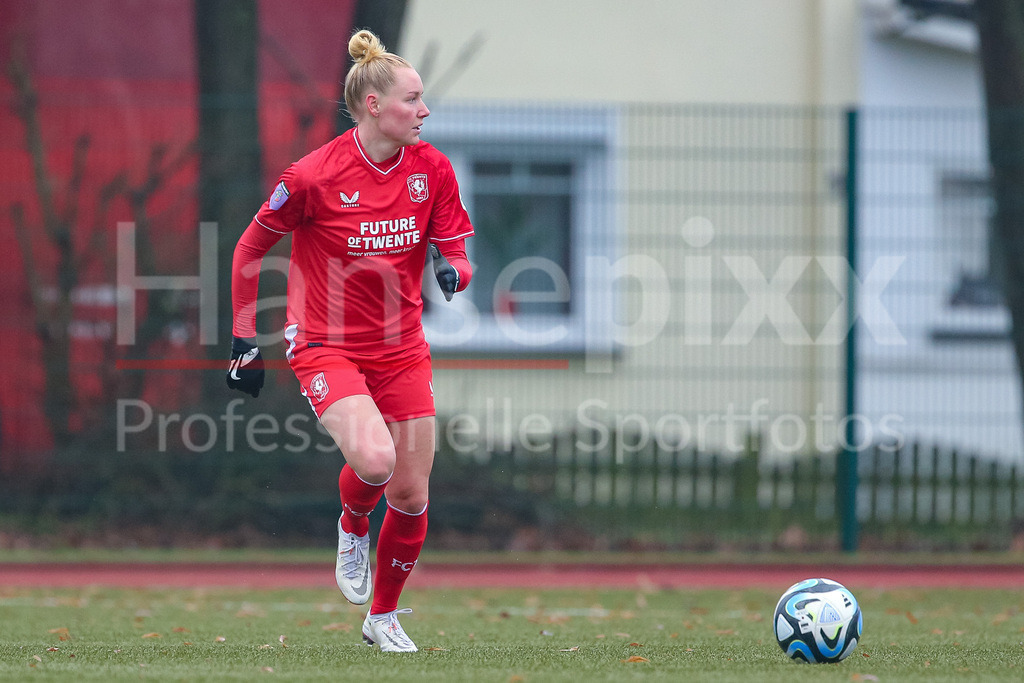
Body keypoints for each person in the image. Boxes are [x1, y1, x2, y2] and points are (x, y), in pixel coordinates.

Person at [225, 28, 473, 653]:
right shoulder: (313, 176)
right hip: (324, 343)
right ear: (372, 106)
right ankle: (353, 522)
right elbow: (251, 247)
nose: (424, 110)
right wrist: (243, 339)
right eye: (412, 99)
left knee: (413, 493)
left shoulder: (432, 169)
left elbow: (455, 247)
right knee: (377, 462)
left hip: (402, 347)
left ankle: (382, 618)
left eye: (422, 100)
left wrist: (453, 269)